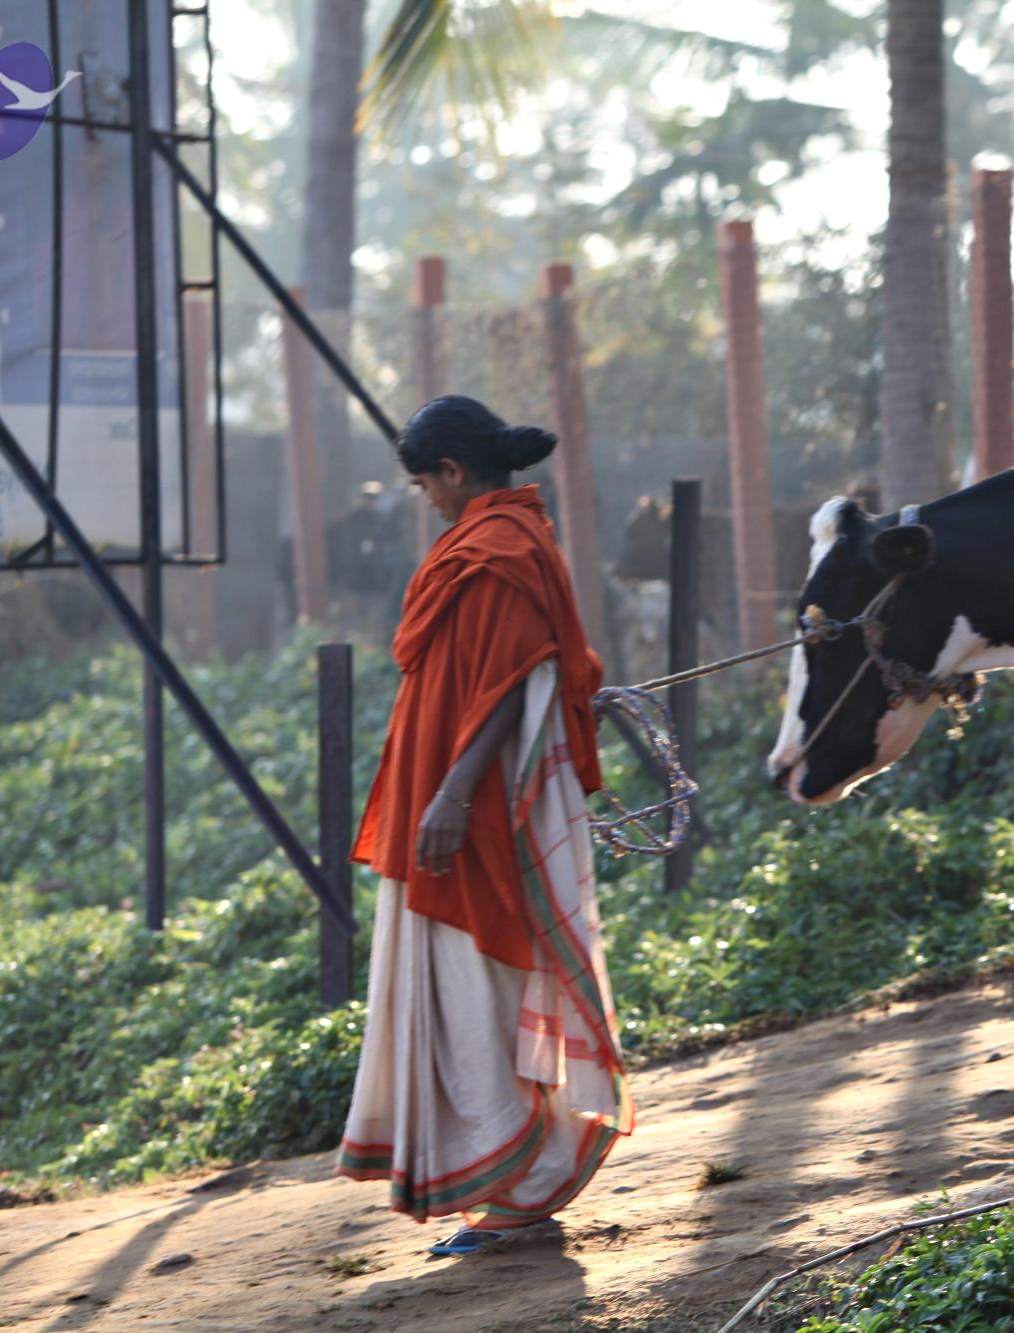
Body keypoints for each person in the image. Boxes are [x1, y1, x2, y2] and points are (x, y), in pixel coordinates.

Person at [335, 394, 630, 1256]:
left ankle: (523, 1186)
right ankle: (501, 1185)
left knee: (482, 988)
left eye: (425, 483)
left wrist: (455, 797)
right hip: (442, 799)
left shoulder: (502, 547)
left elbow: (513, 680)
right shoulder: (490, 540)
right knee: (458, 987)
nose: (425, 498)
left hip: (478, 816)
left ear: (453, 471)